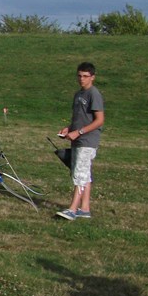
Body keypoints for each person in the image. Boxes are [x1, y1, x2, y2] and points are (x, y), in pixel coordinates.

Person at [56, 62, 104, 220]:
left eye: (85, 76)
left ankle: (72, 209)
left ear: (92, 77)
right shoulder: (78, 95)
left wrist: (79, 132)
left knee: (79, 175)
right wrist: (69, 129)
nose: (81, 79)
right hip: (76, 139)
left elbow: (99, 120)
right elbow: (80, 118)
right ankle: (84, 208)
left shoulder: (94, 94)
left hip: (87, 140)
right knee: (84, 173)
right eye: (79, 76)